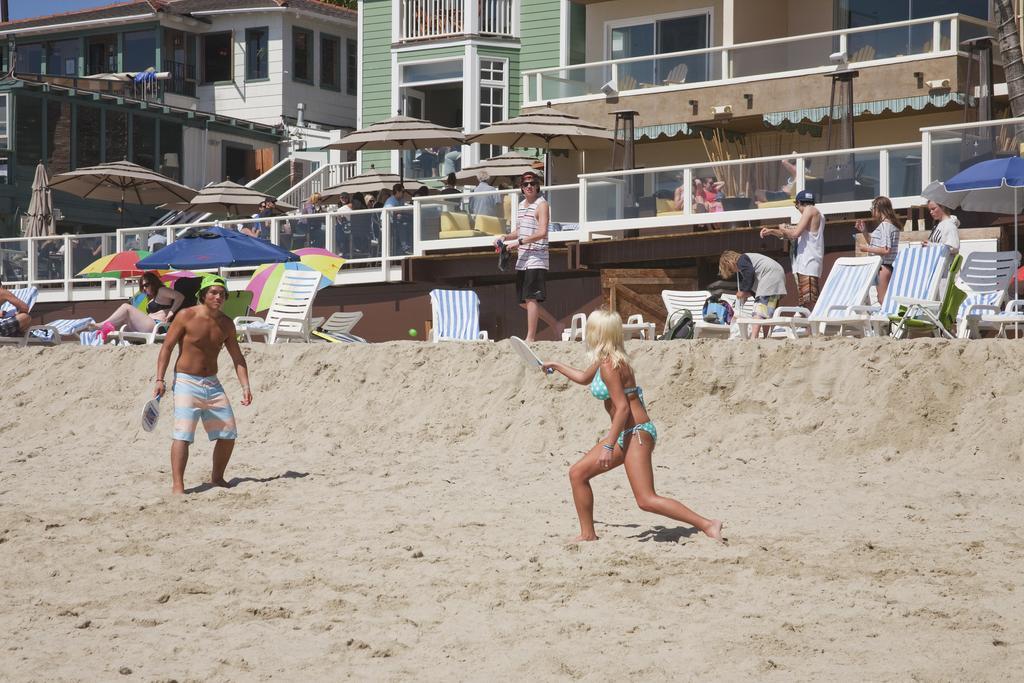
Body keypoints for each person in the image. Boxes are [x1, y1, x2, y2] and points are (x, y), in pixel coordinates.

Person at [542, 309, 723, 543]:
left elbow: (623, 408)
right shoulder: (605, 360)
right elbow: (583, 379)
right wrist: (556, 365)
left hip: (636, 432)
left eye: (590, 330)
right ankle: (588, 534)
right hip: (626, 433)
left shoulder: (610, 365)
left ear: (598, 333)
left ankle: (708, 524)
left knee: (646, 499)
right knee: (578, 474)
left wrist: (608, 446)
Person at [154, 274, 252, 495]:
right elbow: (166, 348)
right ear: (203, 295)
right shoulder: (185, 316)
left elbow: (237, 358)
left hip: (212, 383)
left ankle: (217, 478)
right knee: (183, 434)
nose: (219, 297)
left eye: (222, 294)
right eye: (214, 293)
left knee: (228, 433)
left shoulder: (226, 323)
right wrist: (160, 379)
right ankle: (178, 485)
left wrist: (245, 387)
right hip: (186, 381)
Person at [499, 170, 563, 341]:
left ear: (537, 186)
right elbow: (520, 230)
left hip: (537, 256)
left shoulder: (542, 205)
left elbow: (542, 232)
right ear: (521, 188)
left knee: (531, 298)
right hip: (523, 257)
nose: (529, 187)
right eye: (526, 184)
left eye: (532, 184)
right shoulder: (521, 205)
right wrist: (505, 237)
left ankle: (530, 337)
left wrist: (518, 242)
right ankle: (556, 324)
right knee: (523, 301)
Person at [759, 189, 825, 309]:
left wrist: (783, 228)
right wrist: (772, 231)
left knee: (809, 301)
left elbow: (794, 234)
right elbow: (791, 233)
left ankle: (811, 327)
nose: (799, 210)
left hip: (808, 262)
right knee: (806, 301)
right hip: (804, 264)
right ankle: (809, 327)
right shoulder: (814, 214)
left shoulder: (810, 210)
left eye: (797, 206)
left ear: (799, 203)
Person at [91, 271, 185, 342]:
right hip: (150, 325)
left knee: (125, 307)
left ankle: (101, 325)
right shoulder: (151, 297)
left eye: (146, 285)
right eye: (142, 286)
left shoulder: (162, 290)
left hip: (157, 325)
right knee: (124, 319)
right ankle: (104, 332)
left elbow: (180, 297)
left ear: (153, 283)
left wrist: (171, 312)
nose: (144, 288)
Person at [718, 250, 787, 339]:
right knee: (767, 311)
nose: (734, 271)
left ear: (730, 262)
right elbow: (755, 282)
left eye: (731, 269)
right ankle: (766, 336)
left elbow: (749, 274)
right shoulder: (749, 261)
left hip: (769, 276)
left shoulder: (741, 260)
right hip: (777, 275)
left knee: (759, 308)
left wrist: (743, 291)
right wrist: (748, 293)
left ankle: (754, 337)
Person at [855, 196, 901, 306]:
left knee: (883, 299)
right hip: (885, 267)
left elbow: (886, 250)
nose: (872, 212)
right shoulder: (889, 225)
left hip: (883, 267)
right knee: (883, 298)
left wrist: (866, 249)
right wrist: (864, 231)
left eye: (872, 209)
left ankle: (889, 322)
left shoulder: (885, 226)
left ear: (879, 209)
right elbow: (876, 244)